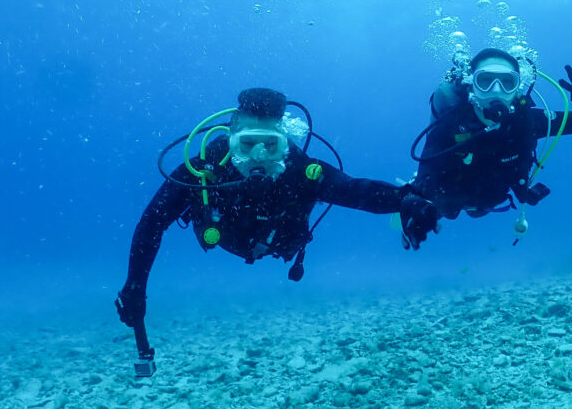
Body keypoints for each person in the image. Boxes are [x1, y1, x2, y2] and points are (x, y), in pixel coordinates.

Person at [115, 88, 439, 374]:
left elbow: (354, 190)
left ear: (284, 144)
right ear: (231, 141)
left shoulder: (301, 171)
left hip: (278, 243)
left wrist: (404, 200)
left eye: (271, 145)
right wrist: (134, 286)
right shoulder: (202, 172)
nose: (259, 156)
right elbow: (151, 224)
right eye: (247, 144)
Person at [411, 47, 572, 223]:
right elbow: (427, 171)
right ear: (471, 86)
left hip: (494, 196)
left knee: (479, 212)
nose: (497, 90)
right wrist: (417, 204)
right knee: (446, 210)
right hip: (452, 197)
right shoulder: (452, 124)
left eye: (507, 82)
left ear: (517, 89)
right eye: (485, 81)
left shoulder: (528, 121)